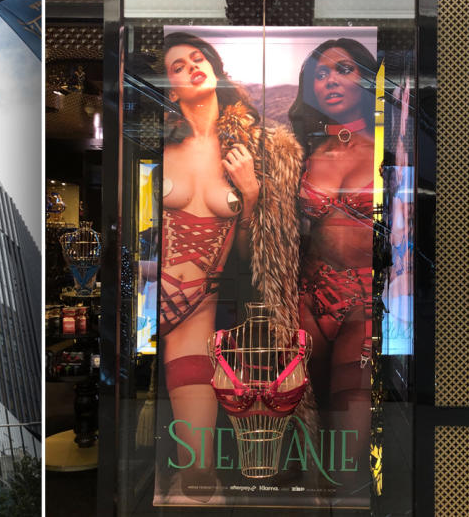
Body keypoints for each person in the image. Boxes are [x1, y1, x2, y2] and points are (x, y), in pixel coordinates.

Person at [159, 32, 302, 499]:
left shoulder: (257, 144)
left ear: (216, 69)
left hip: (204, 311)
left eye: (198, 58)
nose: (190, 67)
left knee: (200, 475)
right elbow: (131, 234)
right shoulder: (158, 143)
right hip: (156, 307)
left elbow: (256, 257)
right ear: (170, 88)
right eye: (177, 66)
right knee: (190, 476)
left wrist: (253, 193)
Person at [288, 38, 378, 493]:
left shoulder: (389, 145)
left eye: (343, 70)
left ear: (365, 77)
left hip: (362, 303)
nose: (331, 81)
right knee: (297, 434)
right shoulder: (301, 150)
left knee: (347, 460)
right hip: (307, 295)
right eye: (321, 74)